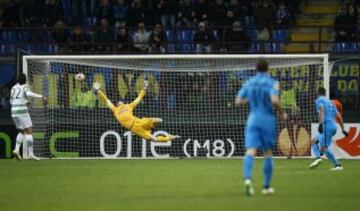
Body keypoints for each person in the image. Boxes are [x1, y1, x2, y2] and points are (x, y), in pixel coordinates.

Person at [235, 59, 287, 196]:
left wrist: (250, 99)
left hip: (252, 119)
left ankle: (247, 179)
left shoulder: (249, 82)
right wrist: (282, 113)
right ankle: (266, 186)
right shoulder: (273, 83)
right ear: (268, 69)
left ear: (255, 69)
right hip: (267, 119)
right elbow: (275, 100)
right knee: (268, 153)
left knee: (250, 151)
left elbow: (238, 101)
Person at [92, 80, 180, 142]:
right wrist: (99, 91)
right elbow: (107, 100)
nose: (119, 102)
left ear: (123, 102)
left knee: (159, 120)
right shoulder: (115, 110)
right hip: (134, 129)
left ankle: (152, 124)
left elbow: (138, 99)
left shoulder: (128, 106)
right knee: (154, 139)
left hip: (138, 122)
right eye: (118, 101)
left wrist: (144, 89)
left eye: (120, 100)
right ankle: (169, 138)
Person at [10, 73, 48, 160]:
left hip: (13, 112)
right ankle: (30, 154)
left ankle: (16, 149)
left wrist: (25, 102)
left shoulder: (13, 88)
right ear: (25, 80)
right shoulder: (25, 86)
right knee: (29, 130)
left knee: (21, 131)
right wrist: (41, 96)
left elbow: (11, 102)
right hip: (22, 111)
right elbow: (29, 93)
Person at [309, 89, 347, 170]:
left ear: (317, 93)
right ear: (325, 94)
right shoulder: (331, 102)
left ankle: (337, 165)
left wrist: (321, 124)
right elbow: (339, 117)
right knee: (314, 141)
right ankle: (319, 157)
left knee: (324, 148)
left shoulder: (319, 100)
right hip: (333, 126)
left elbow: (321, 110)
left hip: (326, 126)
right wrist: (343, 129)